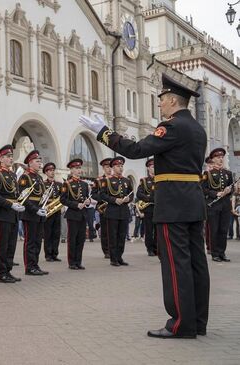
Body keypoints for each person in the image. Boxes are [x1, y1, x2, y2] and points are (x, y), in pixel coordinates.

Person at [79, 73, 209, 338]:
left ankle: (181, 324)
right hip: (193, 200)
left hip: (173, 202)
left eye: (161, 100)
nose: (159, 105)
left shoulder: (172, 126)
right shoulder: (197, 128)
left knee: (176, 263)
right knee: (196, 262)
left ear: (173, 100)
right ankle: (197, 321)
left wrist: (103, 133)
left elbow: (137, 150)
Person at [0, 145, 25, 283]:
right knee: (3, 245)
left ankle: (8, 270)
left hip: (13, 214)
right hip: (4, 213)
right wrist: (11, 205)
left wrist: (19, 201)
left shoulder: (12, 174)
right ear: (1, 158)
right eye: (8, 156)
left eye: (11, 156)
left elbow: (14, 194)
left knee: (11, 245)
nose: (11, 159)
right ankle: (0, 273)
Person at [98, 157, 133, 267]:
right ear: (113, 167)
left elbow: (131, 193)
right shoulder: (107, 180)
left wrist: (129, 199)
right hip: (112, 211)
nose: (120, 168)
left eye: (121, 166)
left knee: (122, 236)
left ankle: (119, 257)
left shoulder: (126, 180)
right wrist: (114, 200)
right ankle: (113, 259)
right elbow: (102, 194)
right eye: (118, 166)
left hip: (124, 211)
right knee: (112, 236)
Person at [18, 150, 49, 276]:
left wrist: (44, 207)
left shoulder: (39, 177)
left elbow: (42, 196)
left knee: (37, 241)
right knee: (30, 242)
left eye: (40, 161)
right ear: (30, 163)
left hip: (39, 213)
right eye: (37, 161)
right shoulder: (25, 177)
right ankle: (29, 267)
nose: (40, 163)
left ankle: (35, 264)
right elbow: (23, 198)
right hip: (30, 213)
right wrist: (36, 209)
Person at [202, 148, 233, 262]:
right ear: (213, 159)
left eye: (221, 157)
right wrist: (216, 193)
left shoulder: (227, 173)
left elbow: (232, 187)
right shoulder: (208, 174)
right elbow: (203, 189)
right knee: (214, 229)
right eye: (218, 157)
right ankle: (214, 253)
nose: (220, 159)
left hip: (225, 205)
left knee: (223, 230)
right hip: (213, 205)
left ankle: (222, 252)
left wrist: (229, 191)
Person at [60, 159, 92, 270]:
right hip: (73, 214)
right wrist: (76, 205)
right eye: (76, 168)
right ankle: (72, 262)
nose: (79, 170)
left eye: (79, 168)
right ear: (72, 170)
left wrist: (87, 203)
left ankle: (78, 261)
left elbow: (87, 198)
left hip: (83, 215)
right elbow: (63, 200)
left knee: (81, 239)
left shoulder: (84, 184)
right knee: (72, 239)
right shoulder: (67, 184)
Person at [42, 162, 62, 262]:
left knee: (56, 233)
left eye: (53, 170)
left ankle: (55, 253)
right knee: (48, 234)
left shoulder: (59, 184)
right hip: (48, 211)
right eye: (50, 170)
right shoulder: (43, 184)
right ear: (46, 172)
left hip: (57, 211)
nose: (52, 172)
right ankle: (48, 254)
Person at [93, 158, 113, 258]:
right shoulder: (99, 180)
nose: (109, 169)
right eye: (107, 167)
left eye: (110, 167)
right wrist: (102, 199)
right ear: (103, 168)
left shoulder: (116, 179)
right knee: (105, 230)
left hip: (114, 208)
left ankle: (114, 250)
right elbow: (93, 194)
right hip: (103, 207)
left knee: (114, 230)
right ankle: (106, 251)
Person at [136, 159, 156, 256]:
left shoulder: (159, 179)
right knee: (149, 229)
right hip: (149, 208)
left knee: (158, 230)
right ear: (148, 168)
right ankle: (150, 248)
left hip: (159, 208)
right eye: (152, 167)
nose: (154, 169)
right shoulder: (144, 180)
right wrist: (148, 199)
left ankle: (157, 247)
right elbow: (139, 194)